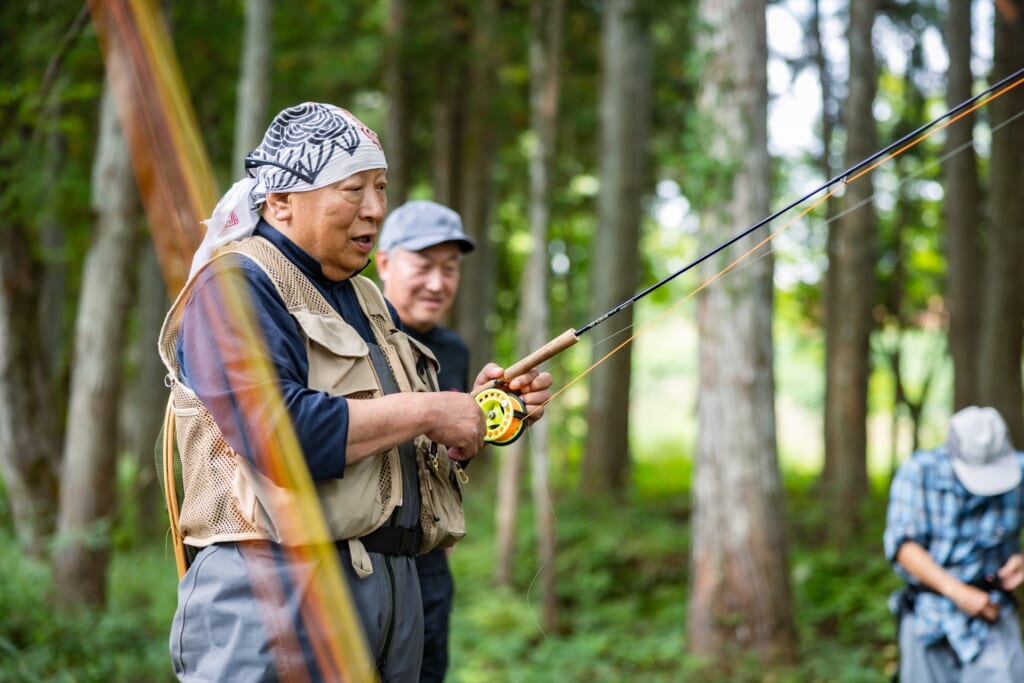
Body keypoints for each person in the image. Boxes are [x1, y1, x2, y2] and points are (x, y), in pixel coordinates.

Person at [157, 102, 552, 682]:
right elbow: (280, 437)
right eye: (352, 189)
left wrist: (475, 417)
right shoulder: (235, 287)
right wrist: (429, 407)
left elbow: (392, 451)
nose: (374, 209)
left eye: (381, 187)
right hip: (278, 605)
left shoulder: (366, 298)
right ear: (282, 201)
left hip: (392, 600)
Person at [376, 200, 475, 683]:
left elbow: (453, 451)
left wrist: (494, 417)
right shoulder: (358, 340)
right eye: (424, 265)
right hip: (365, 559)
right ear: (385, 262)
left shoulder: (454, 349)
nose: (438, 283)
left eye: (450, 269)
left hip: (432, 560)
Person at [884, 405, 1024, 683]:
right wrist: (957, 592)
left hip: (992, 611)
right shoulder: (918, 472)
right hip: (928, 615)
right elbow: (903, 546)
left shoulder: (1019, 472)